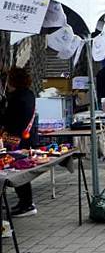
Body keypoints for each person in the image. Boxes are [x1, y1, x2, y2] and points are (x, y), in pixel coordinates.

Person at [0, 67, 37, 217]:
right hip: (25, 138)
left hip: (15, 140)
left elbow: (7, 119)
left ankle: (26, 204)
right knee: (21, 171)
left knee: (16, 171)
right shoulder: (29, 94)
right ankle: (26, 202)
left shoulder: (16, 98)